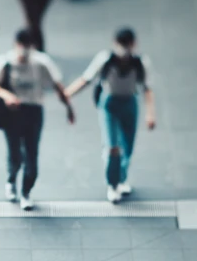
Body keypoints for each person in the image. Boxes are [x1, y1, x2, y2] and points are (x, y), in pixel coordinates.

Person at [64, 27, 155, 204]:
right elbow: (86, 79)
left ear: (134, 45)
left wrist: (150, 114)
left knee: (127, 147)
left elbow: (147, 89)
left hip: (129, 104)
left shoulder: (140, 63)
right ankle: (113, 184)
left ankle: (122, 177)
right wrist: (66, 94)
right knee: (113, 146)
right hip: (110, 105)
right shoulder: (105, 60)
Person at [0, 28, 74, 210]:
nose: (24, 50)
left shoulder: (41, 62)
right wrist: (7, 96)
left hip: (34, 111)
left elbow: (58, 86)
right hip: (13, 112)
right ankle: (11, 180)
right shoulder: (5, 62)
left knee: (31, 153)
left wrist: (69, 108)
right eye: (22, 46)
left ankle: (26, 191)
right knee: (14, 152)